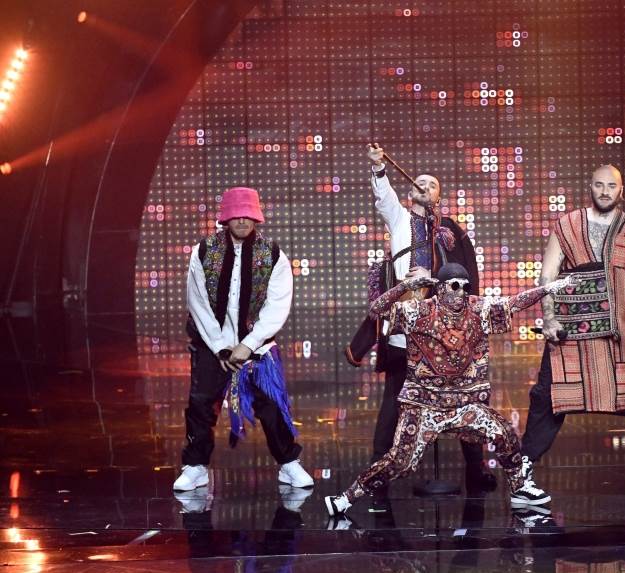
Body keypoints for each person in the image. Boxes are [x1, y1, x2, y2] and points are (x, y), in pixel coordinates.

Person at [325, 264, 579, 518]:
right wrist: (405, 287)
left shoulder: (478, 309)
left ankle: (519, 489)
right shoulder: (418, 311)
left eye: (465, 287)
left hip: (464, 405)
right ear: (440, 288)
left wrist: (550, 288)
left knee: (504, 434)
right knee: (400, 462)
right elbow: (377, 310)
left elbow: (515, 302)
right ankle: (345, 498)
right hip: (424, 406)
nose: (461, 293)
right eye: (455, 286)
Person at [517, 165, 625, 500]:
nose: (605, 191)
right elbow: (547, 275)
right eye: (599, 185)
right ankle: (523, 466)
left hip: (619, 325)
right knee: (549, 394)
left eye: (611, 186)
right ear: (590, 187)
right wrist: (549, 319)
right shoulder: (567, 225)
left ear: (621, 190)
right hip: (571, 328)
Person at [346, 143, 494, 499]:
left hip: (447, 331)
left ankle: (476, 470)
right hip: (408, 328)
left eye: (432, 184)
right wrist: (379, 168)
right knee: (395, 399)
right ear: (410, 191)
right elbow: (384, 198)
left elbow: (465, 277)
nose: (424, 186)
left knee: (463, 398)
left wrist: (435, 279)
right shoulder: (399, 218)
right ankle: (378, 470)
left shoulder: (452, 232)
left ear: (438, 197)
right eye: (420, 182)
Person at [173, 187, 313, 492]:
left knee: (272, 406)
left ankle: (289, 463)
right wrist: (221, 347)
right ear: (226, 218)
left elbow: (277, 305)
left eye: (248, 215)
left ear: (256, 217)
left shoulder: (272, 254)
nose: (242, 221)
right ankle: (196, 467)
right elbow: (197, 302)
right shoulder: (204, 251)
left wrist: (247, 345)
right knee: (201, 404)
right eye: (236, 215)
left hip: (257, 345)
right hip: (212, 344)